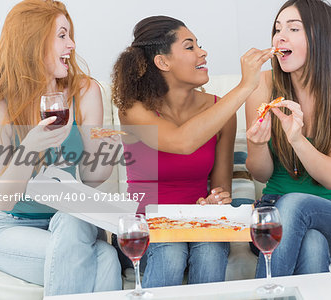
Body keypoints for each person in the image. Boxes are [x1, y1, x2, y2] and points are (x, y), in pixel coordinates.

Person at [0, 0, 122, 295]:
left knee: (72, 217)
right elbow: (2, 201)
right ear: (32, 42)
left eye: (70, 35)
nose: (72, 44)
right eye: (62, 35)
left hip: (71, 218)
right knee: (105, 257)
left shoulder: (85, 91)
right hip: (10, 227)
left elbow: (91, 178)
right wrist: (30, 148)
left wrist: (106, 148)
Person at [111, 15, 274, 287]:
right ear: (162, 62)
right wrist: (246, 86)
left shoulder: (219, 109)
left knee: (210, 251)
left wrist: (216, 199)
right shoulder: (133, 108)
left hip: (200, 221)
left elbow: (221, 190)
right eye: (189, 47)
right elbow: (182, 142)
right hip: (148, 225)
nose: (202, 52)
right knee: (172, 253)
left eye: (199, 44)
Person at [245, 0, 331, 277]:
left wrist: (297, 139)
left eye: (293, 28)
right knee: (312, 243)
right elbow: (261, 174)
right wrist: (257, 143)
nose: (280, 37)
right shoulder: (263, 84)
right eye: (277, 29)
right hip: (272, 210)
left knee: (295, 203)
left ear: (318, 36)